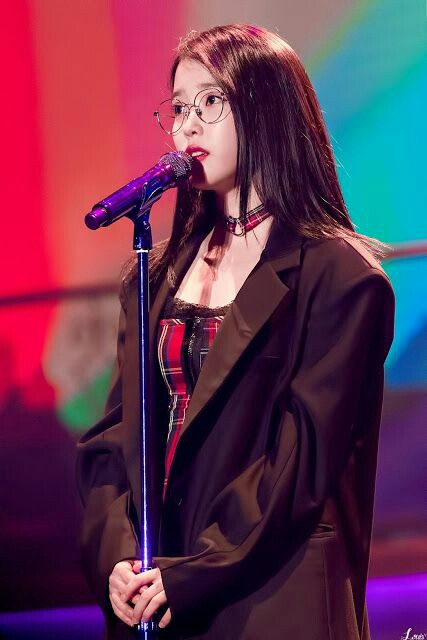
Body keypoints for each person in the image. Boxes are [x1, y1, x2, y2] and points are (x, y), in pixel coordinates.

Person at [76, 24, 395, 640]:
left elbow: (298, 464)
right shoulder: (155, 276)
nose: (188, 125)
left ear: (267, 110)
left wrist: (194, 572)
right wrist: (117, 557)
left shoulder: (339, 278)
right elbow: (114, 436)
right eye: (178, 108)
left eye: (211, 102)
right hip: (158, 590)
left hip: (271, 593)